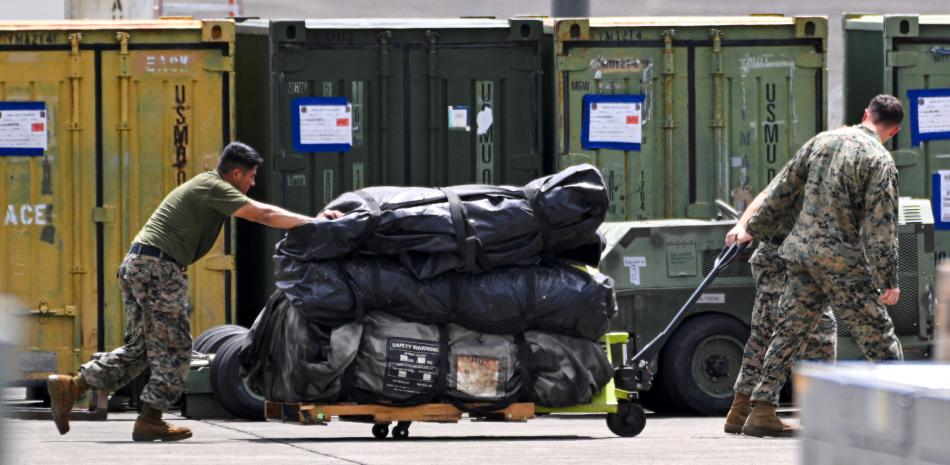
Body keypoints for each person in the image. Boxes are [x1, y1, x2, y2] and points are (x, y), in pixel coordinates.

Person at [46, 142, 342, 442]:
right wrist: (315, 222)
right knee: (175, 348)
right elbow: (262, 215)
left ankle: (73, 385)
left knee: (143, 349)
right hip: (157, 269)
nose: (252, 183)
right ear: (236, 173)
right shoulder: (214, 185)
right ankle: (151, 419)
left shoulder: (207, 185)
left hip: (140, 265)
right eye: (251, 177)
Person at [733, 94, 905, 437]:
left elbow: (781, 190)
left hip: (800, 255)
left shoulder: (822, 141)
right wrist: (888, 278)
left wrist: (753, 230)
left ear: (864, 114)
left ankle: (762, 410)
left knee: (789, 332)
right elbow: (880, 226)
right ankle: (905, 410)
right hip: (841, 260)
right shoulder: (878, 159)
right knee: (878, 334)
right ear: (894, 130)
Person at [721, 191, 837, 435]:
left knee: (763, 334)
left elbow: (767, 194)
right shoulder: (824, 167)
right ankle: (814, 413)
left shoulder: (803, 167)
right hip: (790, 262)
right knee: (821, 333)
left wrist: (743, 225)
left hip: (771, 258)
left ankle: (740, 409)